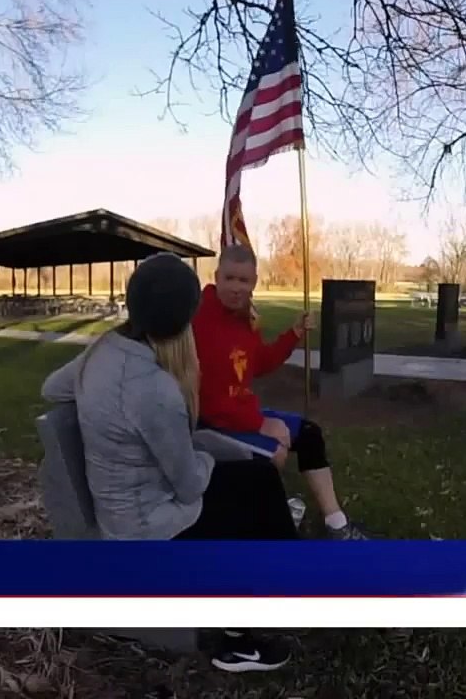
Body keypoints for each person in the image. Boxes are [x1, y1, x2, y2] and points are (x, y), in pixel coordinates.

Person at [40, 251, 295, 673]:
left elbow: (52, 388)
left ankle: (288, 579)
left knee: (258, 478)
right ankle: (236, 644)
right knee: (247, 496)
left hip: (131, 505)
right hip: (147, 529)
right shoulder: (155, 390)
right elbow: (190, 486)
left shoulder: (104, 351)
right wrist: (207, 456)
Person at [191, 243, 368, 540]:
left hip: (241, 413)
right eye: (229, 278)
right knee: (274, 454)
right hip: (211, 422)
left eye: (243, 280)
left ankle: (336, 524)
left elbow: (259, 363)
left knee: (309, 434)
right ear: (217, 277)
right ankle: (268, 525)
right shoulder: (201, 319)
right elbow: (211, 397)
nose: (236, 287)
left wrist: (293, 335)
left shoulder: (246, 318)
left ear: (254, 282)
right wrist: (261, 424)